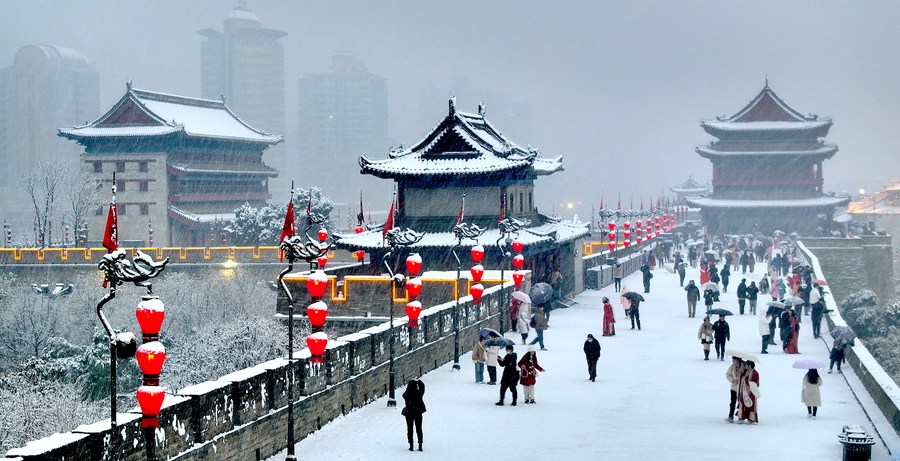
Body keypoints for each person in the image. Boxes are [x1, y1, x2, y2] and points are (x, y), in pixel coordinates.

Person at [401, 379, 426, 451]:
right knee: (419, 428)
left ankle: (411, 445)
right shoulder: (418, 393)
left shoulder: (407, 395)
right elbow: (422, 387)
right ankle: (420, 445)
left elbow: (404, 394)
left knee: (410, 429)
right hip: (418, 412)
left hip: (409, 412)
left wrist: (409, 386)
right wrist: (418, 381)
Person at [725, 356, 744, 423]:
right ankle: (730, 416)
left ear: (738, 360)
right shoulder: (732, 367)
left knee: (741, 403)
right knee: (732, 402)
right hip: (734, 387)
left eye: (734, 360)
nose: (732, 361)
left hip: (742, 387)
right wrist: (733, 380)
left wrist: (740, 378)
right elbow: (728, 375)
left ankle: (741, 417)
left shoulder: (744, 367)